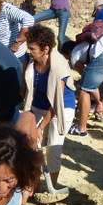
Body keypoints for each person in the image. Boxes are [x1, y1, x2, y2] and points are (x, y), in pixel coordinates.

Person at [20, 24, 76, 191]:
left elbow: (55, 104)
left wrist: (41, 127)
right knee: (31, 144)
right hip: (38, 104)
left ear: (45, 49)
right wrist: (24, 85)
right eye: (27, 47)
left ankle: (52, 186)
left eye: (32, 48)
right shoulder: (30, 58)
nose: (28, 51)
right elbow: (26, 67)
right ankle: (33, 184)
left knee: (53, 148)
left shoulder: (58, 67)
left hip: (61, 108)